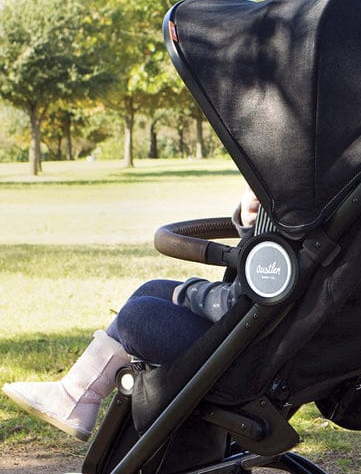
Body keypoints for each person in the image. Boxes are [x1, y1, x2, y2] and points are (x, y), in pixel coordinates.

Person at [4, 186, 260, 442]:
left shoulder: (293, 230)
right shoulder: (296, 222)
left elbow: (236, 301)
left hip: (249, 357)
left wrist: (189, 292)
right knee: (152, 289)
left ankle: (77, 398)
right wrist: (251, 224)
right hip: (264, 335)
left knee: (137, 317)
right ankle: (77, 395)